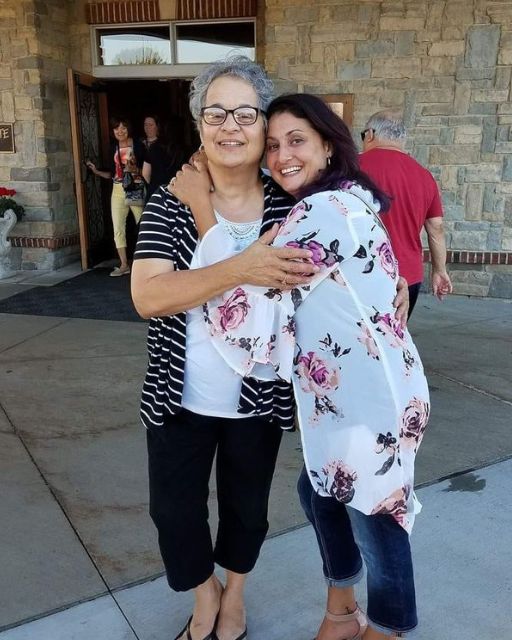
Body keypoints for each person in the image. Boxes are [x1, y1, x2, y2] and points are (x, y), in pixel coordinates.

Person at [184, 93, 429, 640]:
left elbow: (251, 304)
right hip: (355, 392)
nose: (282, 156)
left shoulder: (324, 210)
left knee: (375, 513)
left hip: (369, 398)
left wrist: (203, 209)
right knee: (318, 492)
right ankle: (341, 611)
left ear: (328, 145)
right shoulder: (343, 201)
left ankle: (386, 628)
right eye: (272, 145)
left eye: (297, 141)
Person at [130, 57, 322, 640]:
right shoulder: (170, 202)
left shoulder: (291, 207)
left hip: (259, 397)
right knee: (173, 512)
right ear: (199, 124)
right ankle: (204, 591)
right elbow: (149, 296)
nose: (230, 126)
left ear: (263, 124)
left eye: (245, 113)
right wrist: (243, 267)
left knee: (247, 509)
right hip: (178, 396)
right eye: (216, 113)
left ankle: (233, 594)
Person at [359, 109, 452, 317]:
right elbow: (436, 228)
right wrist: (439, 270)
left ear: (370, 134)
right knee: (396, 333)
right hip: (409, 276)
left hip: (361, 272)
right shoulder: (424, 176)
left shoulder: (352, 168)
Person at [86, 116, 145, 276]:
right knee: (118, 227)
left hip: (135, 186)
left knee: (142, 224)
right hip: (118, 188)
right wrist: (96, 171)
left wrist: (135, 169)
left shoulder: (138, 144)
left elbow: (147, 169)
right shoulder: (113, 147)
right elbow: (112, 173)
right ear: (113, 131)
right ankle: (124, 264)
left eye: (123, 127)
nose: (120, 131)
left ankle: (144, 262)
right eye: (117, 128)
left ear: (128, 129)